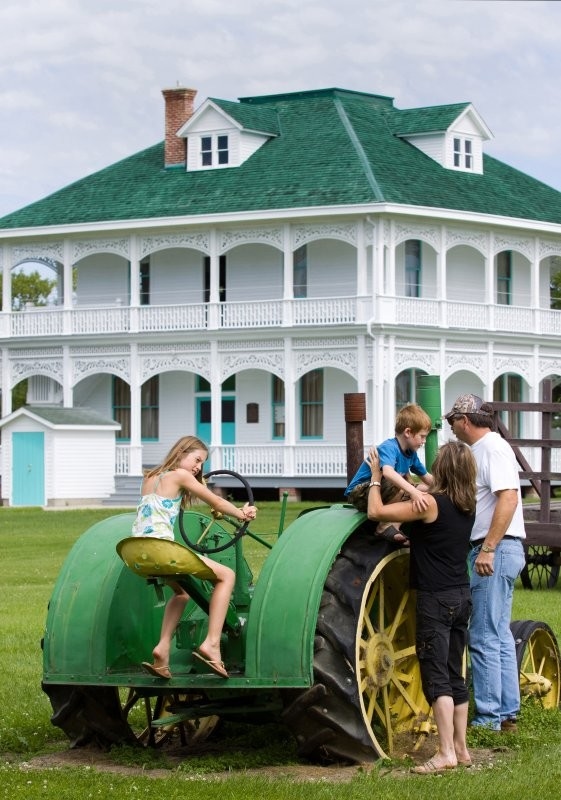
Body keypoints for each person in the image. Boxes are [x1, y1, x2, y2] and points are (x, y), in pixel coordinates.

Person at [367, 441, 476, 773]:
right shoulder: (467, 505)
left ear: (441, 468)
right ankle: (461, 748)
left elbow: (377, 513)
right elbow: (437, 539)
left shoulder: (430, 504)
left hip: (436, 598)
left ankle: (444, 753)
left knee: (435, 676)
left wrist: (375, 477)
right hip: (461, 595)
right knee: (455, 673)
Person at [131, 435, 257, 680]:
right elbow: (218, 502)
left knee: (182, 593)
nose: (198, 467)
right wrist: (241, 513)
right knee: (226, 576)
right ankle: (212, 643)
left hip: (138, 551)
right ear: (181, 452)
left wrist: (200, 481)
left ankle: (162, 649)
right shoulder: (180, 475)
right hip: (161, 549)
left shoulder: (149, 477)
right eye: (197, 459)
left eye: (202, 464)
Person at [445, 394, 526, 733]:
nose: (450, 426)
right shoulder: (480, 450)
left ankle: (489, 717)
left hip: (495, 548)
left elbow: (509, 495)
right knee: (498, 634)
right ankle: (507, 712)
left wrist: (488, 548)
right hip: (496, 548)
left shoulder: (491, 447)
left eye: (453, 420)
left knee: (482, 635)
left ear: (466, 419)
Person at [345, 403, 434, 543]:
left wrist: (447, 488)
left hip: (384, 490)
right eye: (422, 436)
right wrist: (413, 491)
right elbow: (387, 473)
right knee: (402, 484)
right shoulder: (389, 447)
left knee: (427, 490)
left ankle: (394, 525)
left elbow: (427, 478)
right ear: (408, 432)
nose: (424, 441)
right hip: (360, 493)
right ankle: (383, 526)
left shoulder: (411, 454)